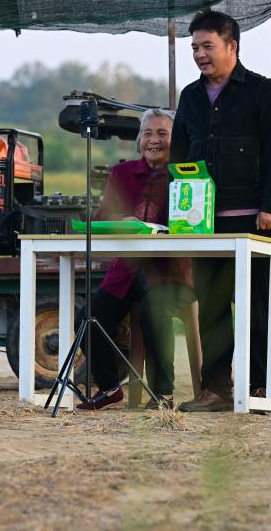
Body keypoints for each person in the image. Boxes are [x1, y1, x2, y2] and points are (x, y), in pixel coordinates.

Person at [170, 9, 271, 413]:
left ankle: (259, 389)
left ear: (232, 46)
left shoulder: (262, 92)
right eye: (194, 48)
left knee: (257, 307)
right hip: (203, 223)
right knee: (212, 308)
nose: (199, 55)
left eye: (207, 46)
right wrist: (180, 215)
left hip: (254, 220)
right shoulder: (189, 97)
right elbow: (179, 158)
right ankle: (217, 391)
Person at [76, 108, 196, 411]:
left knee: (154, 310)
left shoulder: (185, 174)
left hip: (172, 272)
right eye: (147, 133)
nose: (154, 140)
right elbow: (102, 218)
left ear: (175, 139)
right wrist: (122, 220)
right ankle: (109, 388)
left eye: (162, 133)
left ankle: (162, 395)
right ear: (139, 140)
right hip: (126, 272)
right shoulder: (122, 173)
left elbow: (195, 222)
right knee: (88, 318)